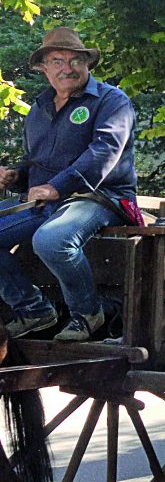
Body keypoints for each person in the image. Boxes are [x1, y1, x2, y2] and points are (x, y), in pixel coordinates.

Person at [0, 27, 137, 342]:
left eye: (76, 60)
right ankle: (33, 309)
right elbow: (34, 165)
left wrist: (56, 187)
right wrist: (16, 176)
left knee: (51, 240)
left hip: (100, 197)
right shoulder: (38, 110)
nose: (67, 68)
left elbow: (104, 153)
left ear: (87, 64)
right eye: (58, 61)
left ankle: (88, 313)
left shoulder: (112, 101)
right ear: (44, 68)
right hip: (46, 203)